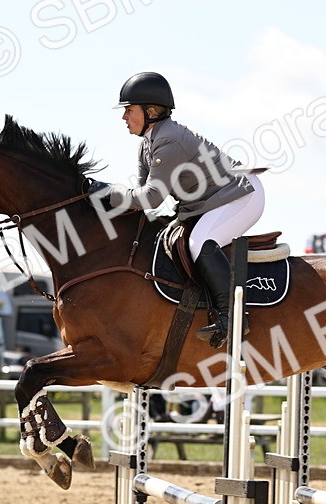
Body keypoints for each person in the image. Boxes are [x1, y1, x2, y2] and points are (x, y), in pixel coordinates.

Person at [103, 71, 265, 347]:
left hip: (241, 195)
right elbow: (142, 200)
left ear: (151, 111)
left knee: (199, 241)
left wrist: (106, 194)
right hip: (211, 201)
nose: (124, 117)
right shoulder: (148, 143)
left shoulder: (169, 140)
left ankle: (233, 318)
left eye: (129, 110)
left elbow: (152, 197)